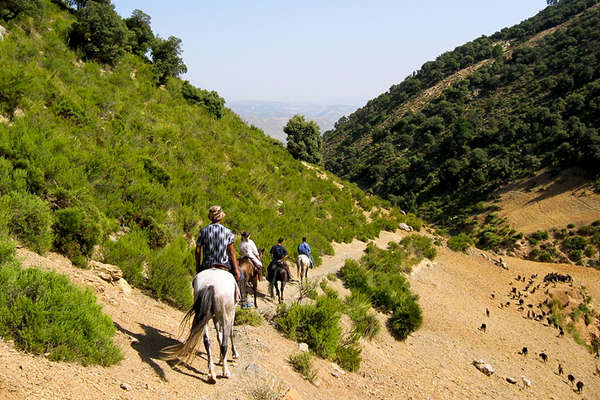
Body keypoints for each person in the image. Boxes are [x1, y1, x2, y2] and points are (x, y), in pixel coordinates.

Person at [195, 205, 245, 304]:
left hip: (207, 264)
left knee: (196, 281)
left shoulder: (203, 231)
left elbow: (197, 251)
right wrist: (236, 270)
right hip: (223, 263)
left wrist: (198, 266)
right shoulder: (227, 232)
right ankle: (243, 300)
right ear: (221, 217)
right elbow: (231, 252)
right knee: (242, 275)